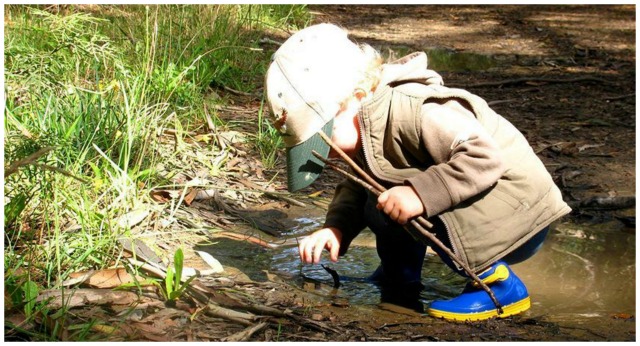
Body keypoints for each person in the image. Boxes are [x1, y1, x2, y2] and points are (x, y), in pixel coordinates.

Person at [264, 23, 571, 321]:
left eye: (324, 135)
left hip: (517, 212)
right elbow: (358, 188)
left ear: (355, 97)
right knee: (384, 196)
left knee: (411, 196)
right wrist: (336, 228)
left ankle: (499, 283)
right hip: (492, 210)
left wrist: (419, 194)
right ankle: (400, 276)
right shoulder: (368, 127)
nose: (327, 151)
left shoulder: (416, 109)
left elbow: (483, 157)